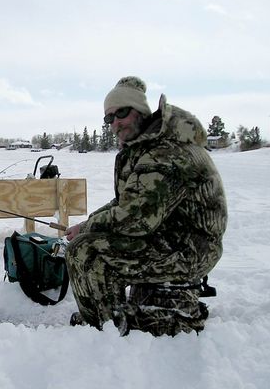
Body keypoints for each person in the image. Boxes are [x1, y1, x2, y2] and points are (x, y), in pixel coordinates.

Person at [64, 76, 227, 337]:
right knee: (94, 239)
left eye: (122, 113)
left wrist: (86, 229)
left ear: (140, 110)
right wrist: (88, 223)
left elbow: (137, 219)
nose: (115, 123)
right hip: (167, 239)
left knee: (85, 252)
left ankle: (103, 331)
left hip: (188, 249)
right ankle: (116, 315)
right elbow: (126, 202)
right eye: (109, 118)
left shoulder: (165, 152)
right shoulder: (145, 147)